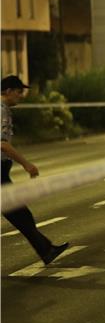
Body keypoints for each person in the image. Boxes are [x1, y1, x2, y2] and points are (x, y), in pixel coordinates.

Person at [1, 75, 69, 264]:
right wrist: (26, 164)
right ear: (8, 91)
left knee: (21, 215)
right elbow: (3, 145)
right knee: (20, 214)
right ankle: (46, 251)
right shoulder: (1, 110)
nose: (21, 96)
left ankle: (46, 250)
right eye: (19, 91)